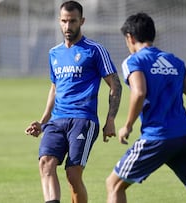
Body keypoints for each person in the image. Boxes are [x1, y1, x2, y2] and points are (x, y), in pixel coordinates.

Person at [105, 12, 186, 203]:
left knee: (114, 185)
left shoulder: (134, 61)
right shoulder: (175, 61)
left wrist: (128, 125)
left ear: (130, 38)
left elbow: (139, 92)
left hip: (157, 136)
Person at [25, 1, 122, 203]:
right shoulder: (54, 53)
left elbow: (115, 84)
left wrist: (110, 119)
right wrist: (43, 122)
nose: (68, 26)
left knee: (73, 174)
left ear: (82, 21)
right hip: (57, 120)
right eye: (64, 21)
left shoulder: (95, 50)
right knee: (46, 163)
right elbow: (55, 88)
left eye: (72, 21)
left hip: (83, 120)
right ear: (59, 22)